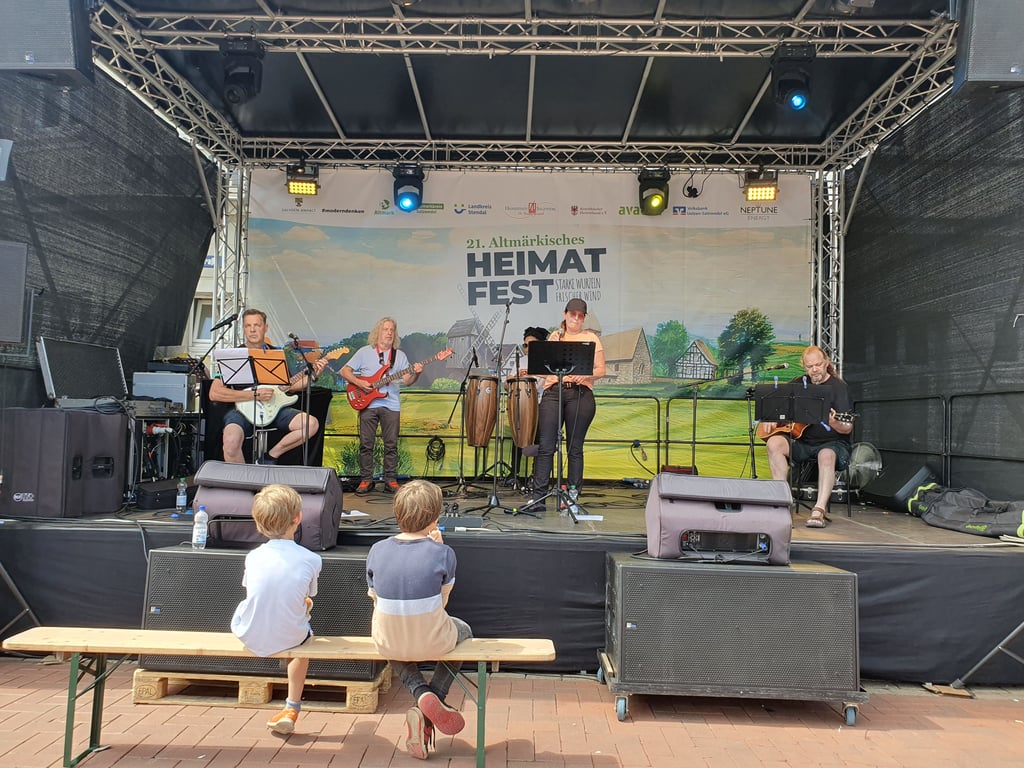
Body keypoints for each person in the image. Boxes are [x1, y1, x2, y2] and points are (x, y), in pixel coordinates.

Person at [365, 480, 472, 760]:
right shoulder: (444, 554)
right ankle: (432, 694)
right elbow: (442, 604)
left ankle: (421, 694)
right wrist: (437, 547)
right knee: (465, 630)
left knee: (391, 639)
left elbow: (375, 597)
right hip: (434, 639)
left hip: (388, 640)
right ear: (435, 519)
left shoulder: (377, 549)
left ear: (397, 514)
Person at [230, 484, 322, 735]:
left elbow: (253, 590)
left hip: (248, 632)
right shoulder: (312, 559)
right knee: (305, 642)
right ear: (298, 518)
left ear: (258, 522)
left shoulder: (253, 556)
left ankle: (290, 707)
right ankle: (292, 705)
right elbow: (307, 597)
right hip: (291, 636)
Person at [209, 308, 328, 465]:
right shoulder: (232, 355)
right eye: (248, 326)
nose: (252, 330)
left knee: (310, 424)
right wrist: (254, 395)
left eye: (257, 325)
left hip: (274, 408)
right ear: (243, 328)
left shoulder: (277, 354)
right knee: (231, 442)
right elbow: (214, 393)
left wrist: (314, 375)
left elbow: (290, 386)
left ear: (265, 327)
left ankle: (269, 457)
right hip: (241, 410)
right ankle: (242, 485)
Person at [526, 299, 606, 512]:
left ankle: (571, 496)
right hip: (554, 392)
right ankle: (538, 497)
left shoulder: (591, 338)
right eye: (573, 314)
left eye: (581, 315)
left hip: (580, 394)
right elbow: (546, 369)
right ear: (565, 314)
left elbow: (601, 370)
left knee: (574, 447)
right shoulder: (555, 337)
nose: (576, 318)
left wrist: (585, 373)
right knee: (546, 446)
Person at [762, 345, 854, 528]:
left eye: (818, 365)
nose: (814, 370)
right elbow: (776, 402)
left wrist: (834, 422)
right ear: (804, 366)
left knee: (826, 455)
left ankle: (819, 510)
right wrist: (770, 417)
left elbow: (847, 428)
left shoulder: (839, 388)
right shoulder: (799, 383)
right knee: (774, 443)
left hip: (833, 444)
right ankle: (782, 504)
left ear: (826, 362)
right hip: (801, 441)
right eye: (810, 366)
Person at [339, 317, 423, 494]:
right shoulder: (364, 352)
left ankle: (390, 480)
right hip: (367, 403)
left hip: (391, 404)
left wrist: (416, 374)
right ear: (378, 332)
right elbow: (344, 371)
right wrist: (360, 383)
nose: (389, 333)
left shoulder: (399, 356)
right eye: (386, 329)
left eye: (392, 330)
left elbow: (407, 381)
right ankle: (366, 480)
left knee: (391, 444)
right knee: (366, 443)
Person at [507, 326, 549, 487]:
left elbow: (553, 380)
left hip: (540, 405)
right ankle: (514, 473)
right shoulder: (521, 361)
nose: (527, 348)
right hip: (521, 405)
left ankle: (535, 475)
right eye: (525, 345)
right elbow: (506, 385)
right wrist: (515, 376)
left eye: (531, 344)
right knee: (517, 438)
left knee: (539, 440)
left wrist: (534, 372)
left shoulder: (547, 361)